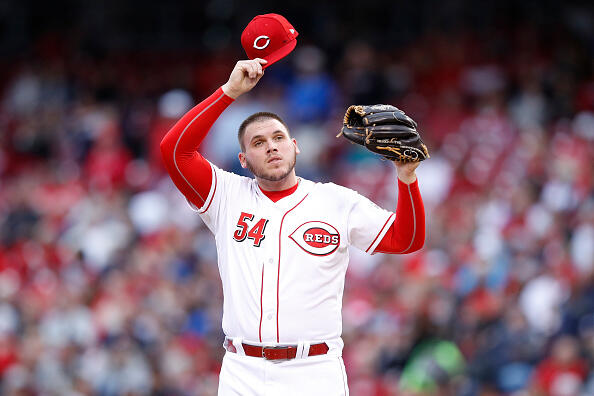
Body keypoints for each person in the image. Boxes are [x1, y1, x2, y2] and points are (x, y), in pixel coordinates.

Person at [160, 58, 426, 396]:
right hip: (243, 370)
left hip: (314, 371)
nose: (271, 146)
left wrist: (407, 178)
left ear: (295, 146)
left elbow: (407, 239)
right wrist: (229, 92)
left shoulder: (336, 202)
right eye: (258, 143)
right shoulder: (226, 195)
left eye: (278, 138)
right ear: (243, 160)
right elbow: (174, 151)